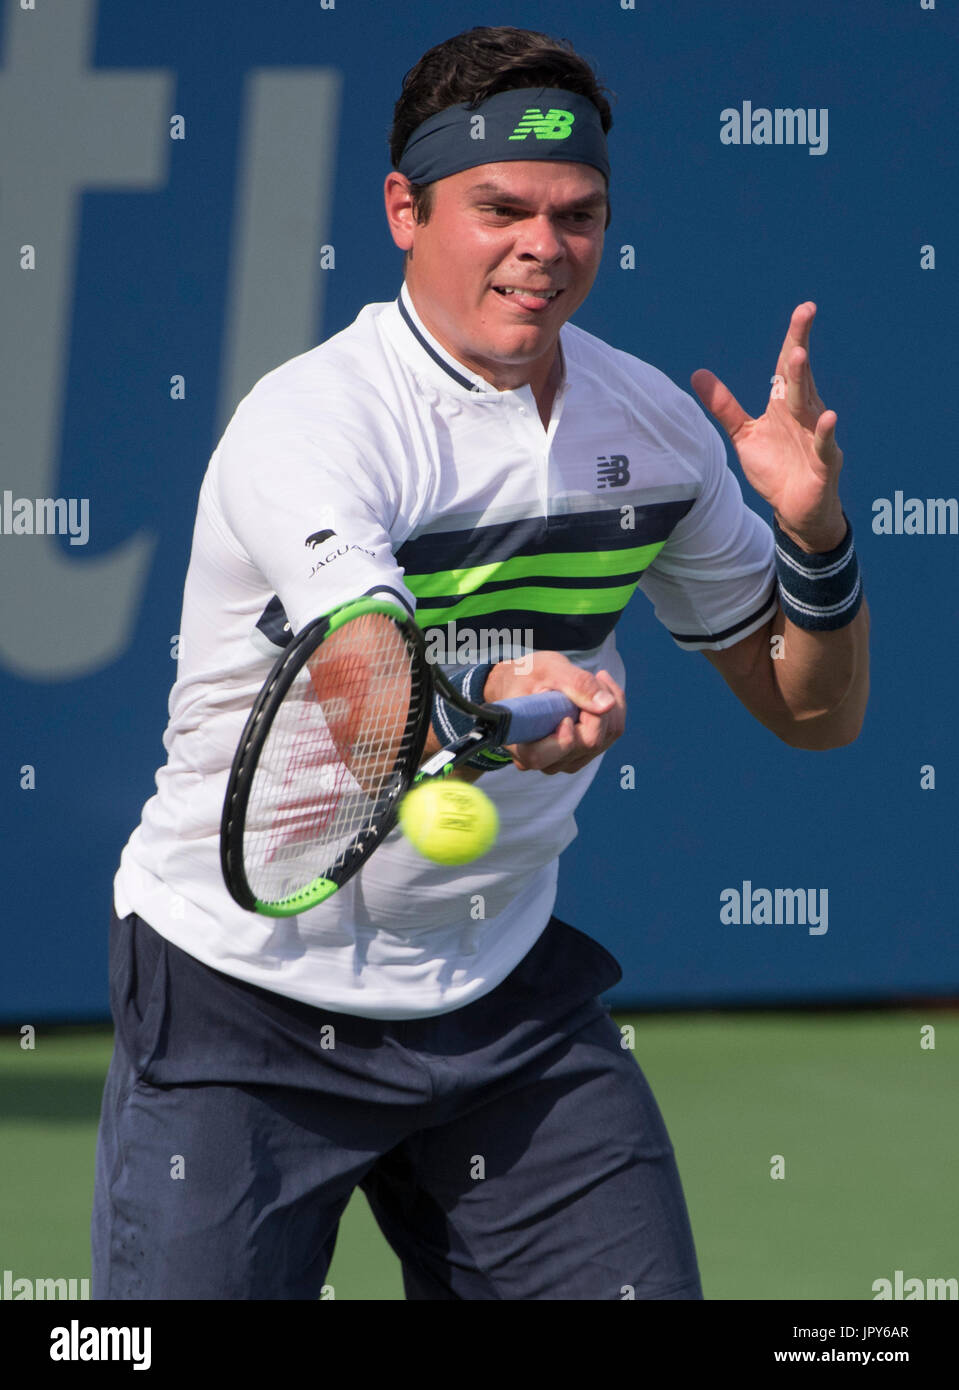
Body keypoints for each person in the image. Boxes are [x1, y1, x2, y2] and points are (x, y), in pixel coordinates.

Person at [92, 25, 869, 1300]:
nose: (542, 248)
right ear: (405, 209)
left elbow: (812, 710)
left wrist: (818, 538)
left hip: (499, 996)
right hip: (247, 997)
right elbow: (361, 696)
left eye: (577, 216)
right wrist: (487, 705)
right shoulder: (312, 422)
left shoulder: (654, 433)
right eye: (499, 207)